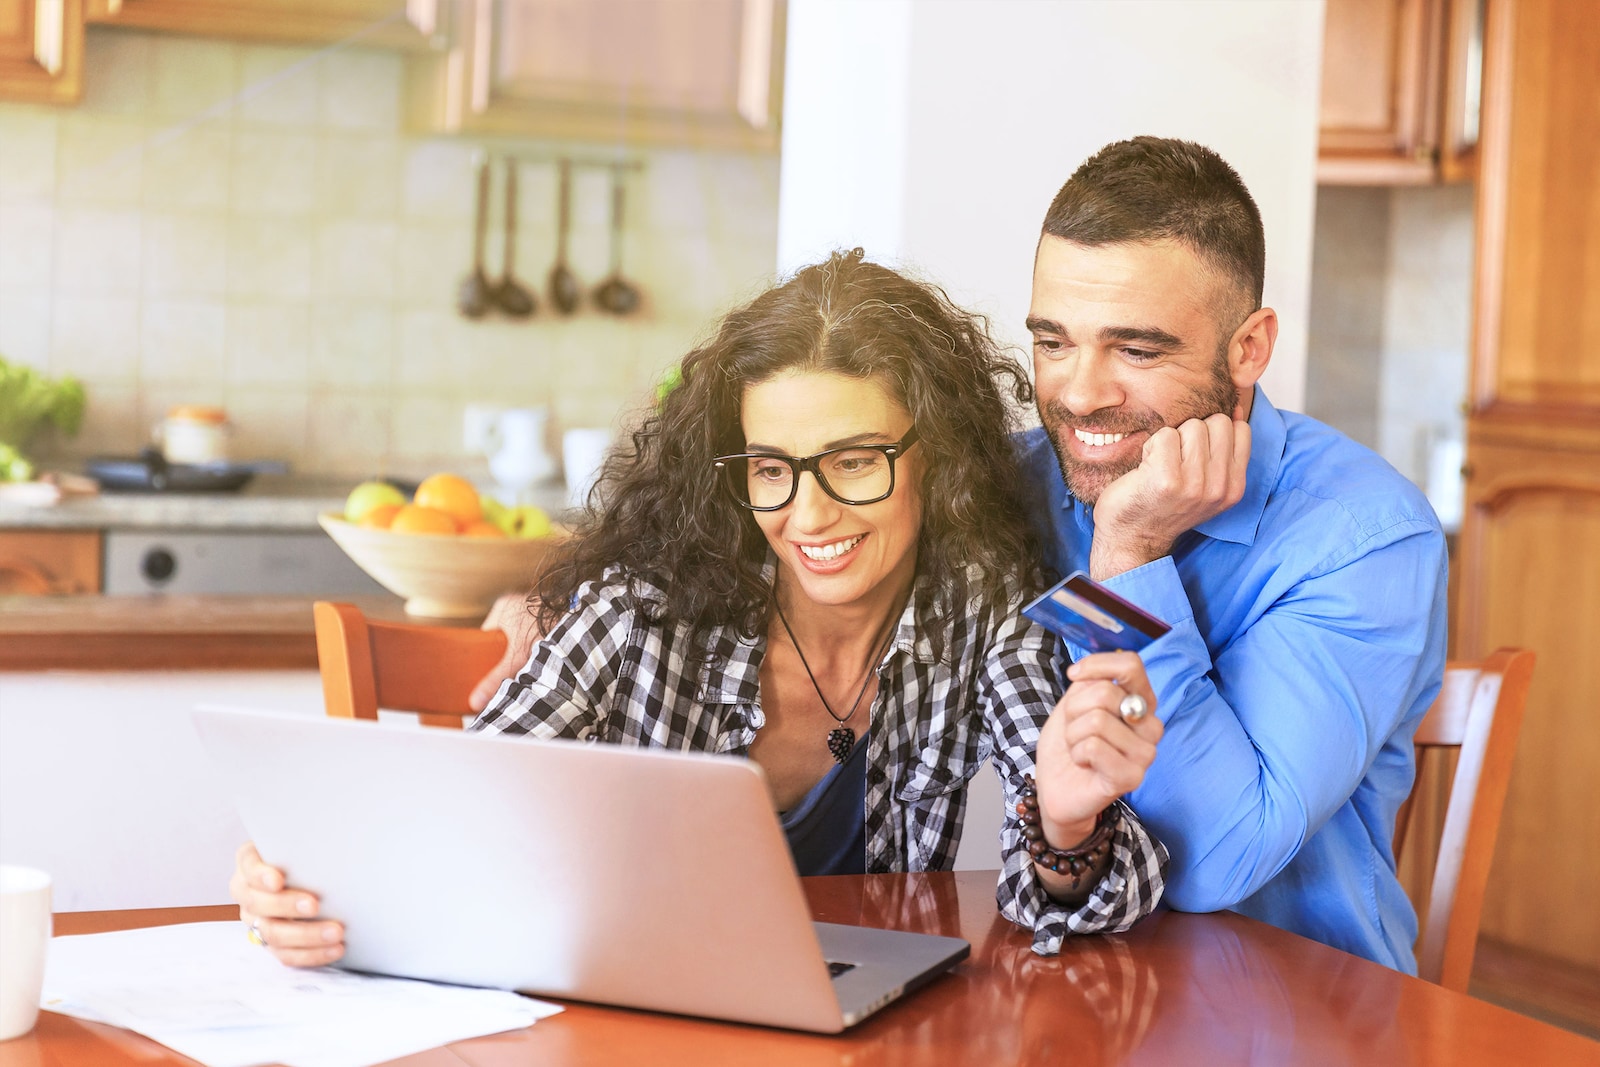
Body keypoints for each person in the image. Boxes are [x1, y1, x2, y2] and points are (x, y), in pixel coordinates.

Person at [232, 250, 1170, 967]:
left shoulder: (980, 614)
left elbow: (1090, 900)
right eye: (773, 469)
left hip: (858, 1019)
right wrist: (304, 873)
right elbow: (462, 809)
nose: (808, 514)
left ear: (940, 455)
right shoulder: (643, 612)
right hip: (631, 1008)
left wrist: (1065, 824)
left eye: (853, 460)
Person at [1017, 136, 1448, 972]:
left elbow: (1214, 858)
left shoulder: (1364, 536)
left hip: (1300, 1010)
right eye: (1053, 341)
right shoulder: (1019, 478)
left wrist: (1129, 550)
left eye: (1136, 350)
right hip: (1061, 993)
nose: (1078, 391)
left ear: (1249, 347)